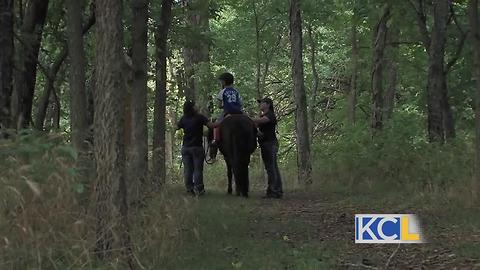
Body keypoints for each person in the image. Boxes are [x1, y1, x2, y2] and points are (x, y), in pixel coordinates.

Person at [176, 100, 213, 196]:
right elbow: (211, 126)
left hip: (186, 147)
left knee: (188, 170)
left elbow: (176, 127)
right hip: (197, 147)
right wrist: (222, 122)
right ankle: (199, 189)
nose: (197, 106)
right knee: (197, 169)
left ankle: (189, 189)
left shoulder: (184, 118)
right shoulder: (200, 117)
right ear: (192, 108)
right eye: (195, 105)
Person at [252, 97, 283, 199]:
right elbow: (258, 126)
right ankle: (277, 190)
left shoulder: (270, 115)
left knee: (271, 168)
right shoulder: (264, 115)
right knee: (272, 167)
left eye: (262, 103)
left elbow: (260, 121)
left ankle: (273, 191)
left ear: (268, 105)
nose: (260, 104)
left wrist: (246, 118)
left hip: (270, 144)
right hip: (266, 143)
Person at [211, 72, 243, 145]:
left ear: (223, 82)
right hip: (239, 112)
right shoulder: (236, 91)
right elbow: (240, 103)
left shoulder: (222, 91)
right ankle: (257, 132)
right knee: (249, 119)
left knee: (217, 124)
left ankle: (216, 139)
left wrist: (224, 105)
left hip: (228, 112)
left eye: (221, 82)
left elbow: (219, 106)